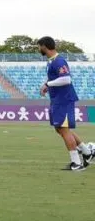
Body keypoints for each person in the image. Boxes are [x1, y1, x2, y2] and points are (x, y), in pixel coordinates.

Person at [37, 36, 92, 171]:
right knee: (59, 129)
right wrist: (47, 85)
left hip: (63, 100)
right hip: (57, 100)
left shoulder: (59, 61)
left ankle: (77, 163)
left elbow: (66, 79)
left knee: (63, 129)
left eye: (39, 46)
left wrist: (47, 84)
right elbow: (55, 78)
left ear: (44, 46)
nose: (39, 49)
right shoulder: (51, 61)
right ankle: (86, 152)